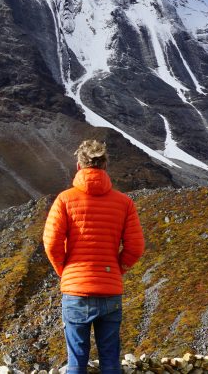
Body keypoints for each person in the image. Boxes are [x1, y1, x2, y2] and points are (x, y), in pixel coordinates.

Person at [43, 139, 145, 374]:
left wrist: (65, 271)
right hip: (110, 290)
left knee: (76, 361)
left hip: (76, 291)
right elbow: (136, 247)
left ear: (79, 166)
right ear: (105, 166)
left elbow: (51, 243)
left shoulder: (64, 200)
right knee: (110, 360)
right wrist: (118, 268)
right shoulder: (124, 203)